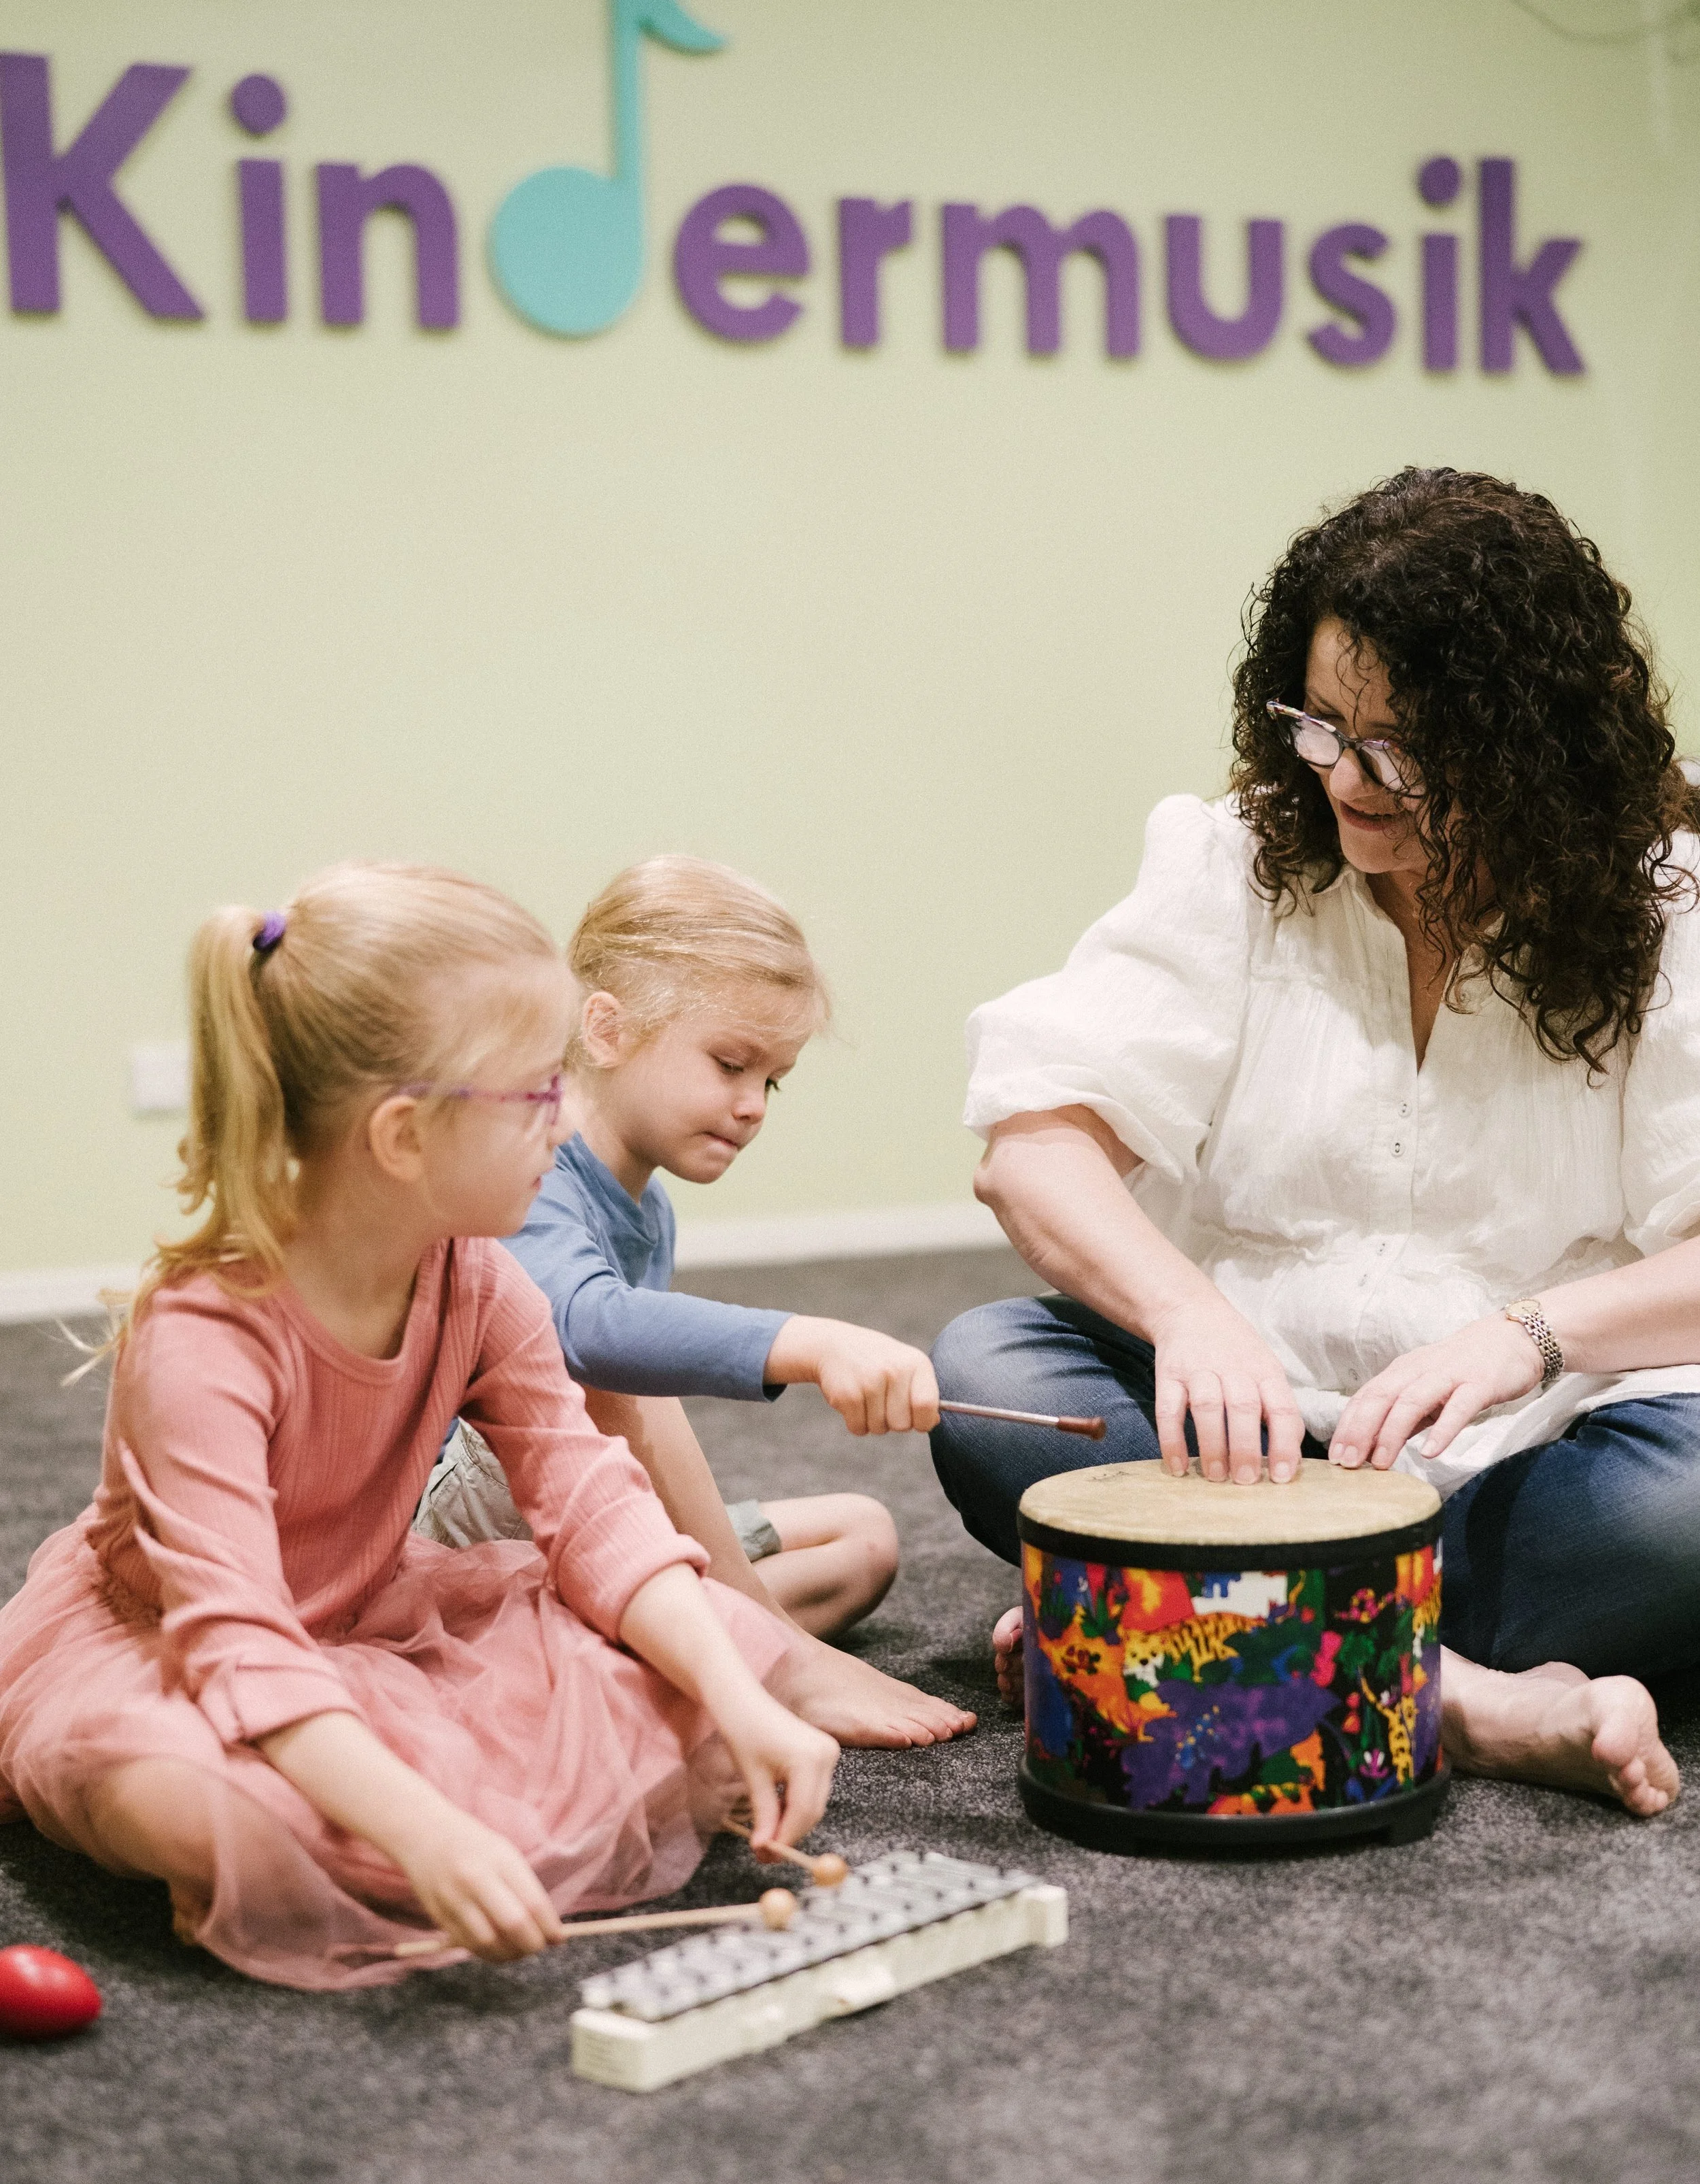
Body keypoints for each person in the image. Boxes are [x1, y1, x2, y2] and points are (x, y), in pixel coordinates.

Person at [930, 467, 1700, 1818]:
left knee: (1673, 1511)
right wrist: (1182, 1316)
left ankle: (1172, 1621)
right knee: (985, 1374)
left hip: (1527, 1451)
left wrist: (1520, 1333)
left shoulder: (1667, 905)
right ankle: (1459, 1695)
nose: (1344, 779)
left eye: (1397, 747)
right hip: (1243, 1439)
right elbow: (1033, 1144)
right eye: (1318, 725)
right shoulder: (1236, 861)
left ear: (1526, 744)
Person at [0, 863, 838, 1990]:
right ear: (403, 1136)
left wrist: (740, 1702)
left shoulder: (482, 1280)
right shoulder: (203, 1336)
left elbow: (593, 1506)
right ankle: (330, 1839)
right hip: (180, 1650)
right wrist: (428, 1834)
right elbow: (238, 1642)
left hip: (370, 1619)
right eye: (538, 1091)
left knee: (729, 1652)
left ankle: (374, 1823)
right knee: (196, 1801)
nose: (563, 1123)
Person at [417, 855, 974, 1749]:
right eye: (730, 1063)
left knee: (861, 1536)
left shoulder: (649, 1205)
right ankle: (768, 1650)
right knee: (614, 1370)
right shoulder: (532, 1173)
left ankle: (633, 1640)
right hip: (442, 1527)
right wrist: (807, 1339)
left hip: (555, 1523)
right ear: (605, 1029)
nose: (753, 1106)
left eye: (773, 1080)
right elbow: (586, 1331)